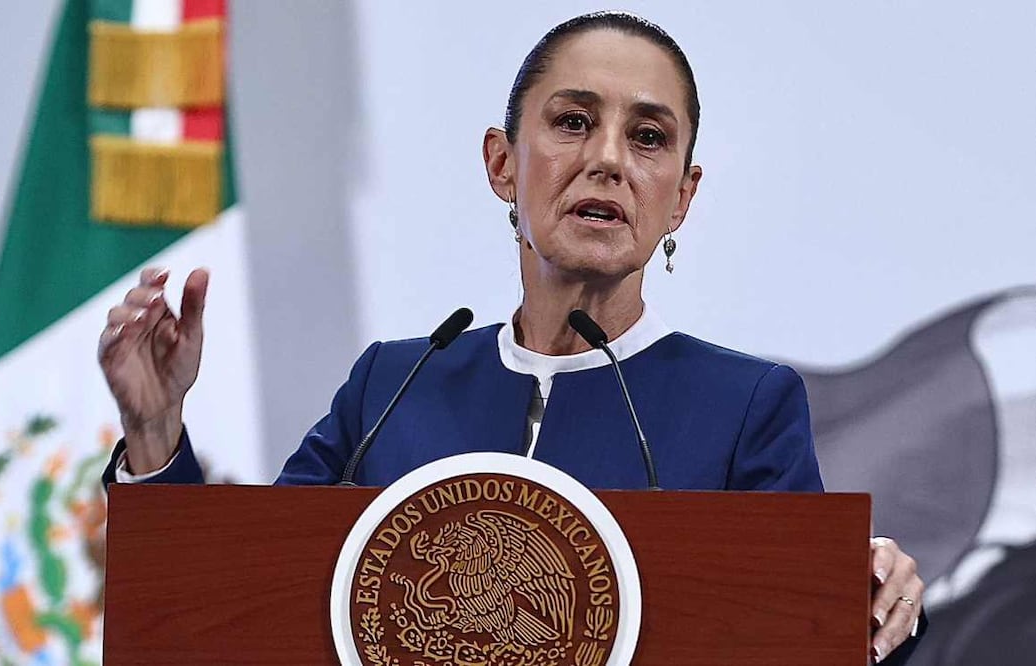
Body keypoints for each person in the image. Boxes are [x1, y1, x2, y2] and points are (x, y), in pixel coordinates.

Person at [97, 12, 924, 663]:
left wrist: (860, 592)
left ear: (681, 197)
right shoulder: (392, 387)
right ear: (501, 164)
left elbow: (799, 637)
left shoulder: (745, 406)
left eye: (647, 137)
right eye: (572, 121)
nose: (607, 161)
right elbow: (232, 607)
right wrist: (155, 429)